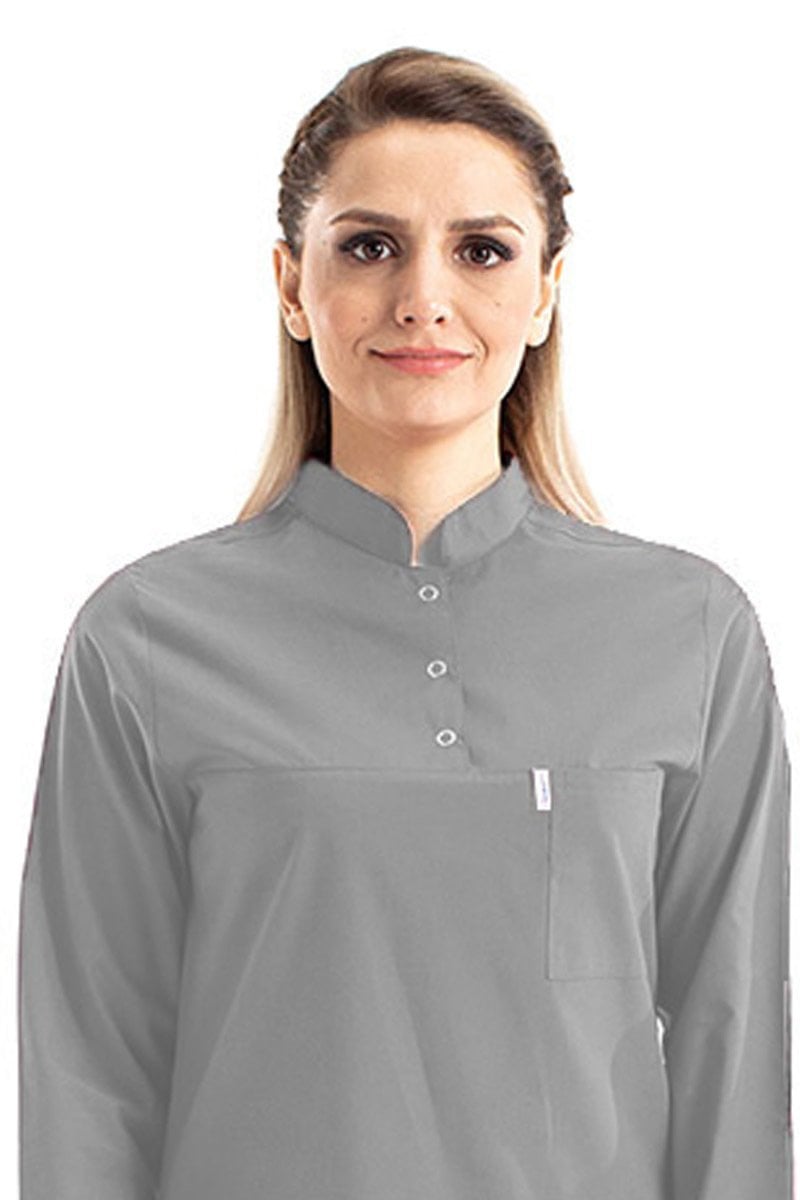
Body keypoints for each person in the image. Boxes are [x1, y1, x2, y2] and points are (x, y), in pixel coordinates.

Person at [18, 44, 793, 1200]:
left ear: (544, 292)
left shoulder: (689, 631)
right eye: (369, 246)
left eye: (481, 250)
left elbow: (737, 1058)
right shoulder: (143, 639)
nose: (423, 297)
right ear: (291, 286)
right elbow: (87, 1070)